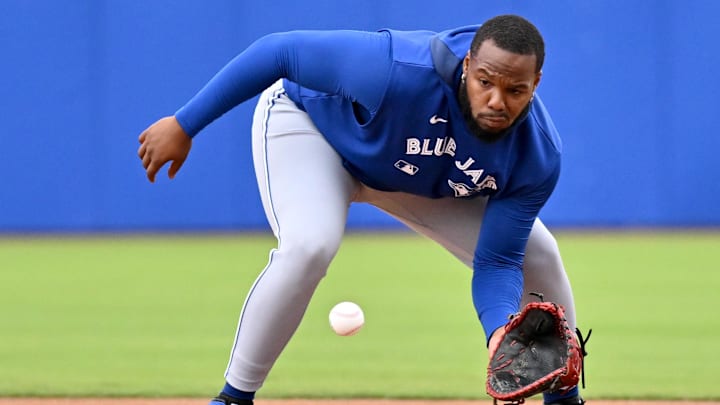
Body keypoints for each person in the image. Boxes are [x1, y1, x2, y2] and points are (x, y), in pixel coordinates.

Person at [138, 14, 584, 405]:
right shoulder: (397, 70)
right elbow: (280, 52)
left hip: (401, 171)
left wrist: (498, 330)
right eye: (485, 81)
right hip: (312, 130)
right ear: (467, 65)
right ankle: (235, 397)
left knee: (537, 252)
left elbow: (498, 260)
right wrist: (184, 123)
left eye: (515, 89)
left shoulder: (536, 155)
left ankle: (564, 395)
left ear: (536, 85)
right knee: (310, 247)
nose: (496, 100)